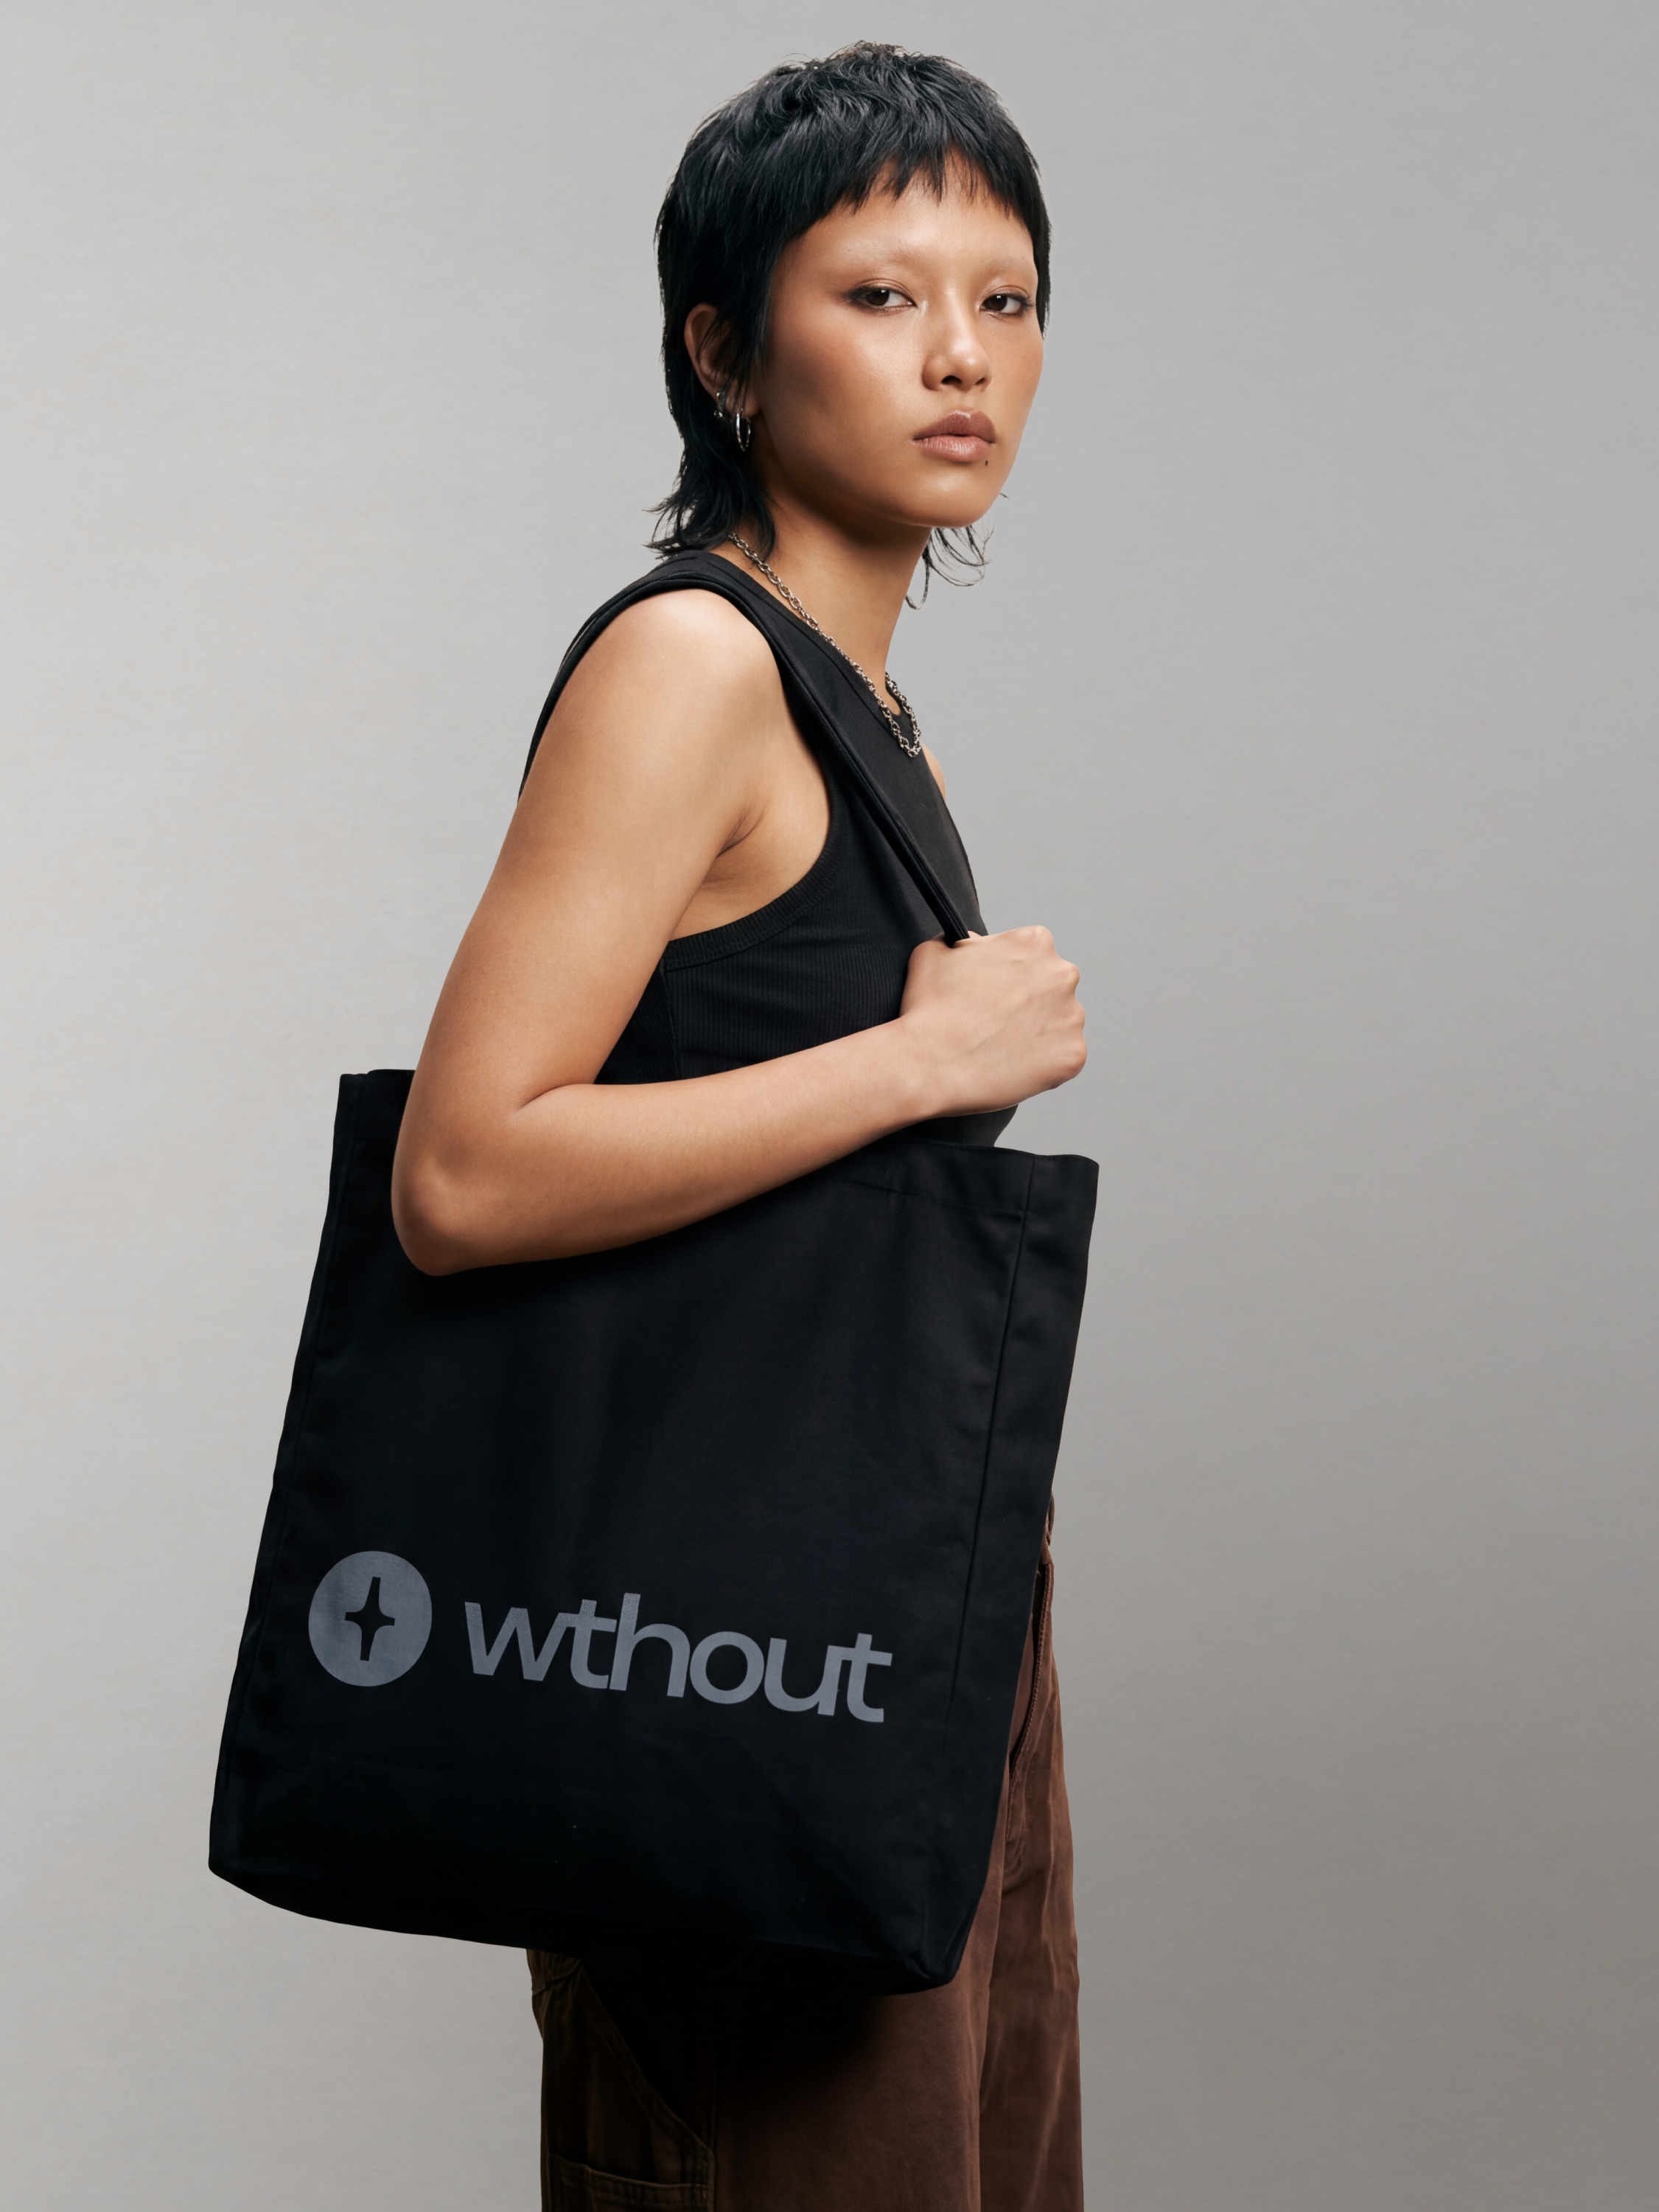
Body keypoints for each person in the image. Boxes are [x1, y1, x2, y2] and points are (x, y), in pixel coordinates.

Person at [391, 41, 1087, 2212]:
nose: (959, 355)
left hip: (906, 1616)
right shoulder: (693, 664)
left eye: (1006, 295)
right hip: (729, 1640)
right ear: (723, 348)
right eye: (880, 296)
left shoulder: (861, 708)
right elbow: (465, 1170)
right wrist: (923, 1059)